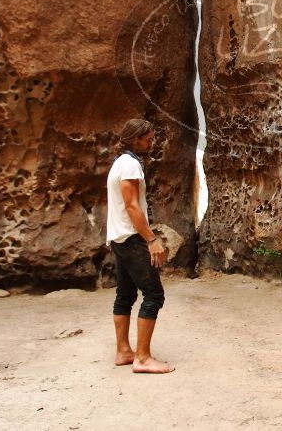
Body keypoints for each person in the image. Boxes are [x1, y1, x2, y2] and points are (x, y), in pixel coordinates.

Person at [106, 118, 174, 373]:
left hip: (119, 237)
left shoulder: (119, 163)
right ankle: (143, 358)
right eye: (148, 139)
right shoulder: (131, 165)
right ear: (134, 138)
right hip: (132, 237)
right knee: (154, 294)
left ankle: (124, 351)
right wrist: (152, 240)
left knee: (125, 294)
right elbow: (132, 206)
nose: (151, 142)